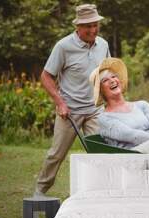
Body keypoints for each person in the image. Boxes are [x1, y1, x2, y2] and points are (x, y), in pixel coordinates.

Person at [34, 4, 110, 196]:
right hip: (70, 111)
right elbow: (46, 76)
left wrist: (111, 100)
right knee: (56, 154)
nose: (92, 30)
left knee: (101, 153)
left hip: (95, 110)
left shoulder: (103, 45)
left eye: (95, 25)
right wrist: (60, 103)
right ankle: (40, 191)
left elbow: (107, 73)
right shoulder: (64, 46)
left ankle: (99, 191)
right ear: (78, 27)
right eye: (88, 26)